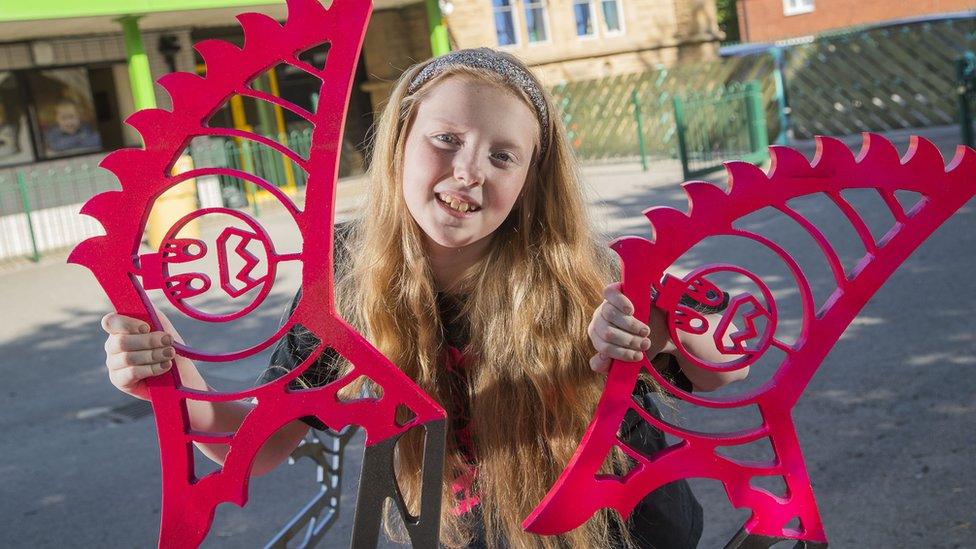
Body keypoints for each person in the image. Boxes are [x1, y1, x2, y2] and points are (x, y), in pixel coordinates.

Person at [100, 48, 747, 548]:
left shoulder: (587, 272)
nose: (469, 170)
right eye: (446, 139)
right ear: (400, 142)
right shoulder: (347, 280)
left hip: (628, 533)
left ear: (529, 180)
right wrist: (170, 374)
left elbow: (724, 368)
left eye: (503, 155)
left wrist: (664, 332)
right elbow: (259, 445)